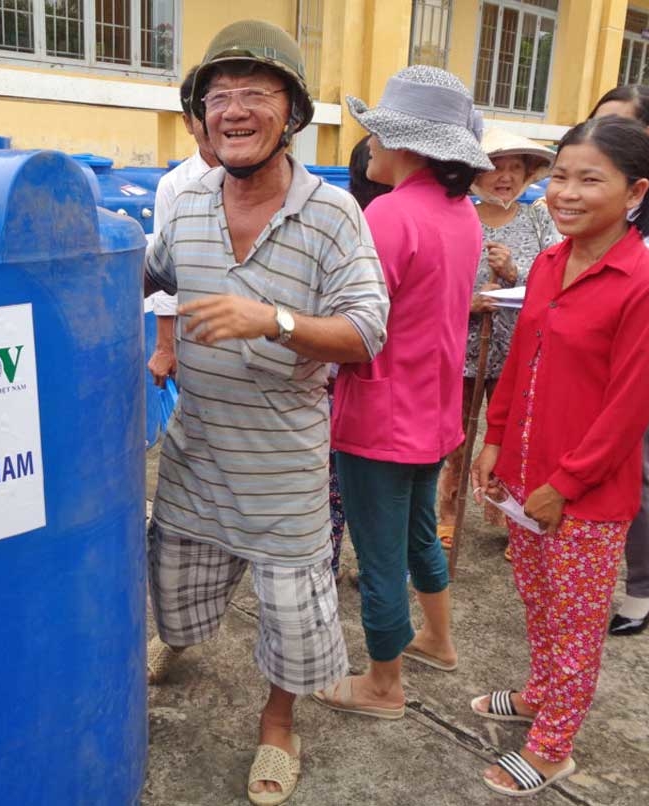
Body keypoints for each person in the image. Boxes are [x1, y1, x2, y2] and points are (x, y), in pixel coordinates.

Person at [143, 20, 389, 806]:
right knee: (173, 593)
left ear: (291, 112)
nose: (236, 110)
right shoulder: (182, 205)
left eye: (257, 94)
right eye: (220, 97)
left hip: (282, 468)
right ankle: (176, 642)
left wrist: (272, 319)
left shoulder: (334, 214)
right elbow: (142, 277)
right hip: (195, 456)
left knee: (291, 615)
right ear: (201, 115)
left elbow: (366, 332)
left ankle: (278, 723)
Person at [470, 115, 649, 796]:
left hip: (584, 496)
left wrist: (566, 483)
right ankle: (539, 694)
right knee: (536, 599)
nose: (565, 192)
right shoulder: (551, 264)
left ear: (634, 191)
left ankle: (555, 745)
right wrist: (494, 441)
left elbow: (628, 410)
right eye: (560, 175)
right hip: (525, 478)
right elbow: (522, 357)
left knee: (577, 621)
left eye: (589, 179)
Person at [314, 67, 491, 719]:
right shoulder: (462, 215)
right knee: (419, 536)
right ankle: (438, 640)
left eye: (378, 136)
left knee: (379, 553)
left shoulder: (388, 215)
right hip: (434, 412)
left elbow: (354, 324)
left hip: (381, 417)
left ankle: (384, 686)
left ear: (410, 146)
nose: (370, 149)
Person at [586, 85, 649, 636]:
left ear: (648, 137)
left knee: (632, 457)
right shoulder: (585, 187)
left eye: (617, 125)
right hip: (592, 337)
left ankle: (641, 586)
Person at [436, 129, 558, 552]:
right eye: (495, 169)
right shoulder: (458, 215)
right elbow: (436, 284)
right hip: (464, 350)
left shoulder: (540, 219)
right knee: (457, 438)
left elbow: (558, 280)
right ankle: (448, 513)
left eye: (514, 170)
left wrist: (512, 275)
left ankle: (514, 520)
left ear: (527, 175)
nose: (504, 177)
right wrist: (468, 304)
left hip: (520, 352)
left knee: (514, 441)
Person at [327, 135, 392, 582]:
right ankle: (385, 570)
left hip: (348, 377)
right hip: (403, 385)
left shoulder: (359, 223)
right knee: (388, 493)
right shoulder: (454, 214)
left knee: (331, 487)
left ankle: (325, 567)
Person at [147, 65, 220, 387]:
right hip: (195, 331)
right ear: (188, 123)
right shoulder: (174, 186)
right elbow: (162, 272)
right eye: (200, 115)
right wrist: (165, 346)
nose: (213, 122)